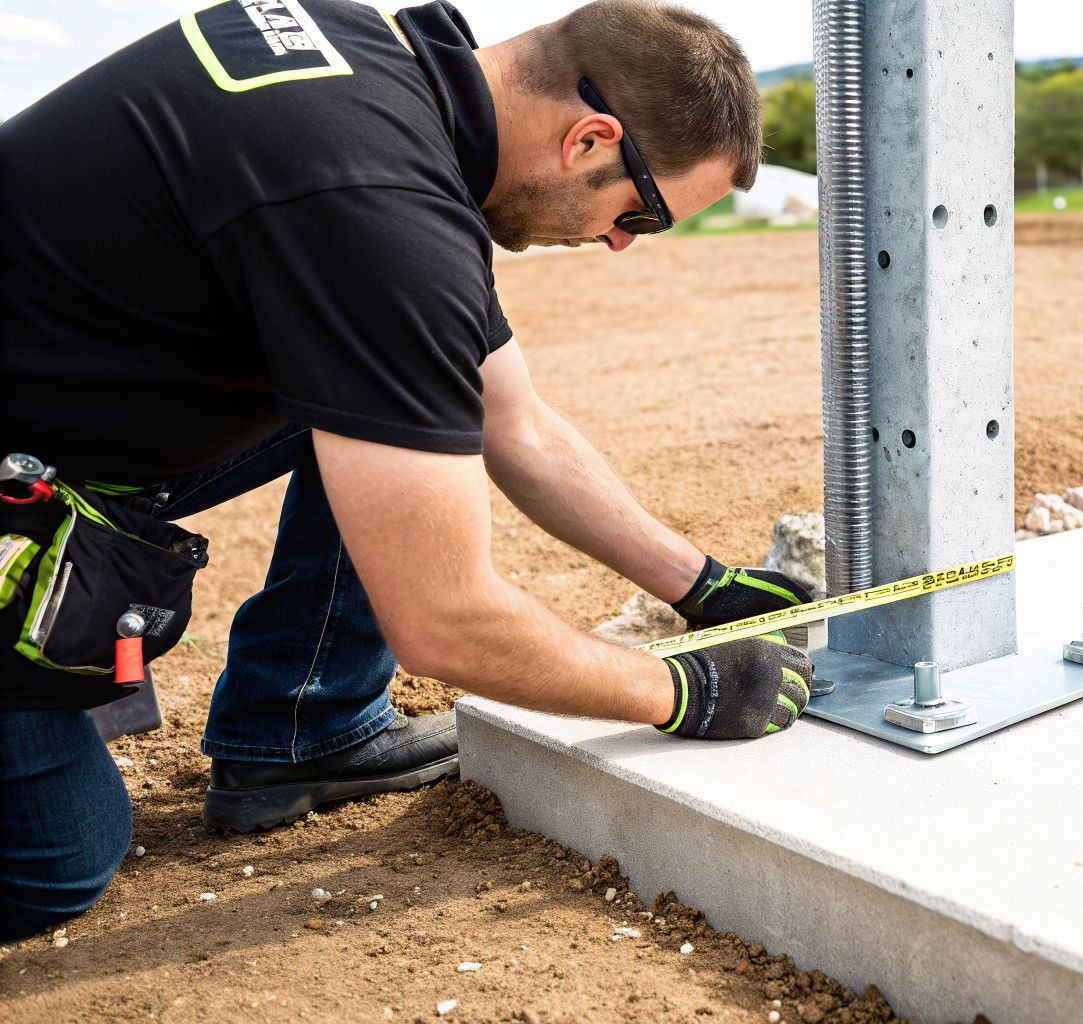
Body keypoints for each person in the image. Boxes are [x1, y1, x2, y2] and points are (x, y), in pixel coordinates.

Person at [0, 0, 814, 942]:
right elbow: (443, 622)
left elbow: (514, 424)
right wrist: (684, 691)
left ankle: (305, 731)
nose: (624, 241)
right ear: (589, 138)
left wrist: (701, 587)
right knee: (52, 863)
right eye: (643, 211)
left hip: (50, 406)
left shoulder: (369, 68)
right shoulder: (378, 213)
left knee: (403, 404)